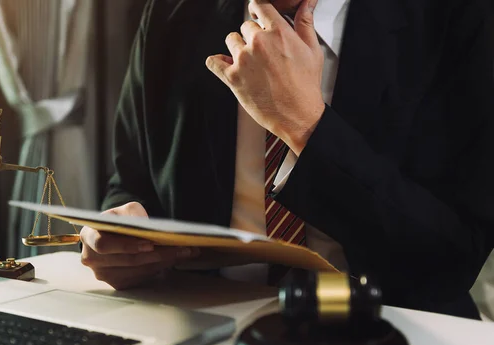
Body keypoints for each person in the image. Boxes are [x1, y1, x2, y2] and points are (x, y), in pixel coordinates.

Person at [80, 0, 494, 320]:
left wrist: (303, 124)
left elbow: (452, 259)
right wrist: (121, 244)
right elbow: (131, 182)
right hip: (198, 327)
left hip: (394, 330)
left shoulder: (458, 17)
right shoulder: (172, 13)